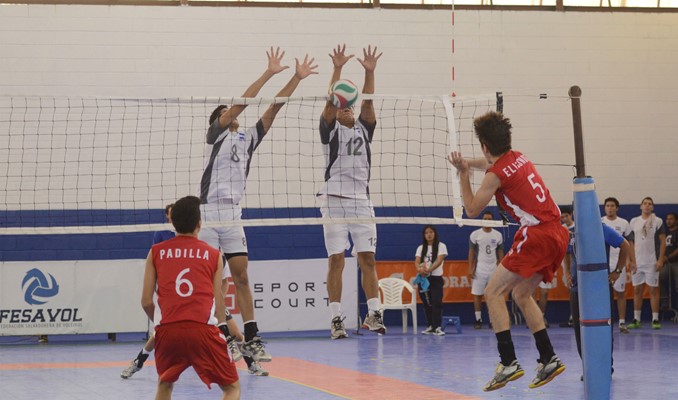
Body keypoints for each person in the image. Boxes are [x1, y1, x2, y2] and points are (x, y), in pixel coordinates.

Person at [199, 48, 317, 358]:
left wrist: (296, 78)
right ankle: (223, 335)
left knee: (241, 276)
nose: (233, 115)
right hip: (209, 213)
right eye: (226, 112)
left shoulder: (248, 139)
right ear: (219, 119)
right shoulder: (215, 135)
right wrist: (268, 73)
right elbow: (241, 103)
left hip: (233, 215)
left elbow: (274, 108)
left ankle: (251, 336)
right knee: (214, 280)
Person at [448, 111, 568, 392]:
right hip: (558, 233)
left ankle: (508, 362)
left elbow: (472, 208)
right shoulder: (518, 157)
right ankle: (548, 357)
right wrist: (468, 162)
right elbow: (491, 165)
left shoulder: (495, 175)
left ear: (485, 146)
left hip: (536, 234)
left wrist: (463, 174)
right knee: (521, 294)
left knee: (492, 292)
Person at [122, 204, 244, 380]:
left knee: (237, 334)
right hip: (182, 301)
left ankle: (252, 363)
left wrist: (216, 301)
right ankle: (138, 361)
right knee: (159, 334)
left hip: (207, 302)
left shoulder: (212, 251)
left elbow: (224, 282)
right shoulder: (166, 244)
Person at [318, 44, 384, 340]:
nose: (345, 109)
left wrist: (370, 72)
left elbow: (368, 101)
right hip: (333, 201)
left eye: (349, 107)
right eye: (341, 107)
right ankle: (336, 319)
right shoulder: (330, 130)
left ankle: (374, 313)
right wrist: (337, 69)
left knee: (368, 258)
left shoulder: (364, 128)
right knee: (336, 259)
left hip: (361, 202)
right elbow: (330, 103)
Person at [563, 221, 631, 381]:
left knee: (603, 329)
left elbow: (625, 245)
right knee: (579, 330)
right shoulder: (571, 232)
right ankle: (588, 368)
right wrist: (567, 272)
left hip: (599, 289)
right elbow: (566, 252)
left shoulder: (602, 229)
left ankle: (605, 367)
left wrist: (617, 271)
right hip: (577, 288)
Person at [627, 197, 666, 329]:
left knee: (653, 290)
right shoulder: (634, 221)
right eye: (645, 203)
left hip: (652, 262)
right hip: (637, 262)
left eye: (650, 204)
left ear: (652, 207)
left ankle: (655, 319)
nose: (647, 206)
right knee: (637, 290)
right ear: (641, 206)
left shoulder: (657, 221)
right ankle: (636, 319)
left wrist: (660, 259)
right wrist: (631, 260)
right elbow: (630, 242)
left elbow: (662, 241)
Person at [601, 197, 636, 333]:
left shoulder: (624, 223)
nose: (610, 208)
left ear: (617, 208)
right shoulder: (600, 222)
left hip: (618, 263)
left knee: (620, 293)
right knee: (603, 294)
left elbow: (629, 244)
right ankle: (604, 321)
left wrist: (632, 261)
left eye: (612, 206)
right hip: (603, 263)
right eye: (607, 206)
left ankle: (622, 322)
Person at [468, 211, 504, 330]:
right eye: (485, 219)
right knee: (477, 294)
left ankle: (492, 320)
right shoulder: (475, 234)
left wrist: (502, 268)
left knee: (492, 295)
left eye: (489, 219)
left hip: (493, 269)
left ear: (492, 221)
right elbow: (471, 252)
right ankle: (478, 319)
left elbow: (500, 252)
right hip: (479, 269)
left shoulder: (498, 235)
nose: (487, 221)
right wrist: (470, 268)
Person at [415, 225, 448, 336]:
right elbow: (417, 261)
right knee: (427, 303)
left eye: (431, 232)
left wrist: (429, 270)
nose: (429, 235)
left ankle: (437, 327)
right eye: (426, 233)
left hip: (436, 278)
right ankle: (430, 326)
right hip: (423, 278)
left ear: (435, 233)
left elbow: (439, 260)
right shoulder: (420, 248)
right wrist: (420, 269)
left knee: (436, 302)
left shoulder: (441, 246)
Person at [659, 212, 678, 312]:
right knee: (661, 278)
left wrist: (668, 257)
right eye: (667, 219)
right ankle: (665, 303)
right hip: (665, 263)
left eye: (671, 219)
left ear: (676, 221)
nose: (668, 221)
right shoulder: (665, 233)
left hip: (676, 262)